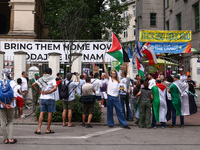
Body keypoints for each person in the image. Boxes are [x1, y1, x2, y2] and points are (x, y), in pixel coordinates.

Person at [103, 60, 131, 129]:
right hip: (109, 96)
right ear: (111, 74)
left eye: (114, 73)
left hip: (115, 97)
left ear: (116, 74)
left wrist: (125, 90)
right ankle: (110, 123)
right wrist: (104, 63)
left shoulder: (119, 81)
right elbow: (106, 71)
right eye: (112, 73)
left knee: (120, 111)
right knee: (109, 111)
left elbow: (126, 80)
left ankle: (124, 124)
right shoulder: (109, 79)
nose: (113, 74)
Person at [32, 68, 57, 134]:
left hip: (42, 98)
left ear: (45, 72)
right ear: (51, 73)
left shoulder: (41, 79)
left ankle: (39, 129)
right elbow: (55, 88)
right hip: (50, 98)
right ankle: (48, 129)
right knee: (50, 113)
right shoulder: (52, 79)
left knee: (42, 113)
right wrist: (48, 92)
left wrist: (39, 91)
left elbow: (33, 84)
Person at [0, 68, 17, 144]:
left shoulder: (0, 83)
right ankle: (10, 139)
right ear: (10, 74)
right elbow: (15, 95)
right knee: (10, 121)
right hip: (11, 105)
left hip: (1, 105)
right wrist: (9, 103)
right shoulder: (12, 82)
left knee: (2, 121)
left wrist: (3, 104)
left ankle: (5, 139)